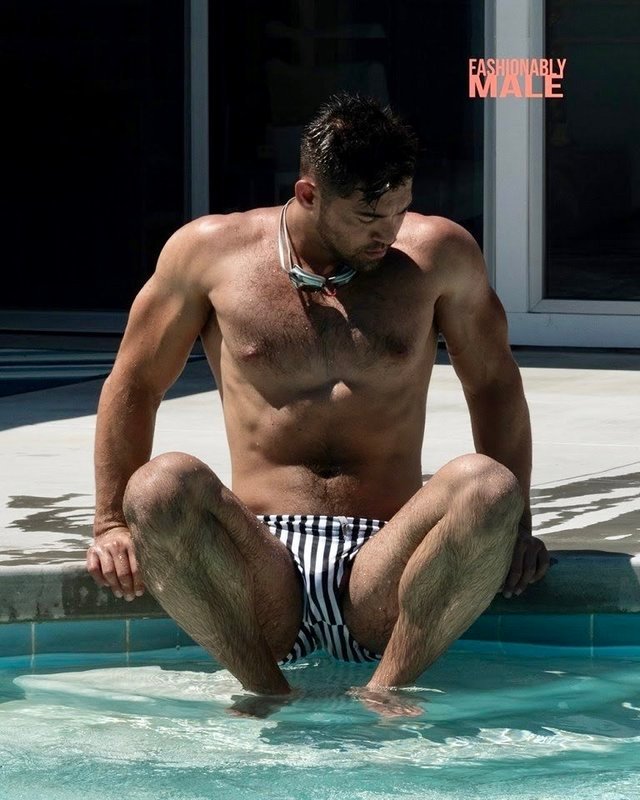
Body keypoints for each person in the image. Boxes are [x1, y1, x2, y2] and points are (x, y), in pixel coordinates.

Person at [86, 92, 549, 713]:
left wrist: (517, 528)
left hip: (388, 562)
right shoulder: (211, 252)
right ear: (308, 193)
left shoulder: (438, 255)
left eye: (400, 210)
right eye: (368, 217)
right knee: (159, 485)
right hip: (261, 562)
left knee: (488, 486)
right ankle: (265, 690)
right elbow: (134, 384)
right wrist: (110, 524)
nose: (389, 232)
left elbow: (493, 384)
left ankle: (387, 692)